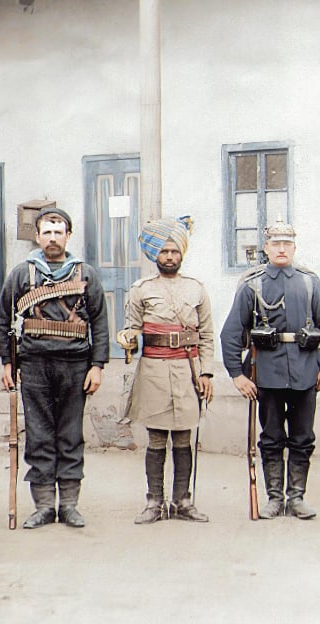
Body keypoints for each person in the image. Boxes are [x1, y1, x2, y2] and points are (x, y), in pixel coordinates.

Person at [0, 207, 109, 529]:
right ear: (38, 236)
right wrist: (7, 362)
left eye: (59, 232)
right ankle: (44, 505)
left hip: (75, 366)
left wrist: (97, 365)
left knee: (71, 434)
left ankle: (70, 505)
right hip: (34, 366)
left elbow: (100, 321)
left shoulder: (85, 273)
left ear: (68, 236)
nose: (53, 238)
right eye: (47, 232)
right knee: (40, 435)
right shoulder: (22, 274)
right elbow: (4, 319)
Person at [220, 220, 320, 519]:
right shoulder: (253, 284)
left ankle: (296, 498)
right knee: (271, 436)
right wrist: (237, 374)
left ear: (294, 248)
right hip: (267, 374)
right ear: (266, 248)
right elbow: (231, 333)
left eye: (287, 244)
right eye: (276, 244)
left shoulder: (310, 282)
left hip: (306, 370)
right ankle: (274, 498)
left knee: (303, 437)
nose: (282, 249)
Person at [118, 216, 214, 524]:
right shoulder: (140, 289)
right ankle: (154, 502)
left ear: (182, 253)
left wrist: (206, 373)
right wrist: (128, 339)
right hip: (154, 370)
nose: (169, 257)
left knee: (184, 437)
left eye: (174, 251)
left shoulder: (196, 289)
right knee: (157, 438)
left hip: (187, 369)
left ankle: (183, 501)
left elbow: (208, 335)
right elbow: (131, 328)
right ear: (155, 255)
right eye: (163, 251)